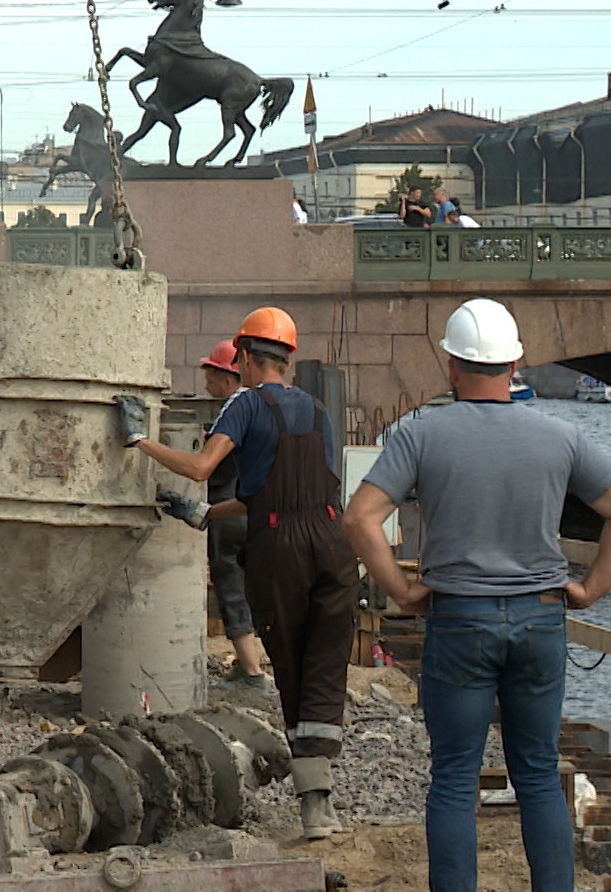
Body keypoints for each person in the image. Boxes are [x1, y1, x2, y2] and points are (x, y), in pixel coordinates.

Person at [341, 298, 611, 892]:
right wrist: (588, 589)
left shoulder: (421, 434)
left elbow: (360, 518)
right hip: (540, 619)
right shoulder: (560, 435)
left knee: (455, 777)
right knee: (536, 774)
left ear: (452, 364)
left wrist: (403, 591)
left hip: (459, 619)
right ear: (515, 364)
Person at [122, 308, 355, 841]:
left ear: (246, 358)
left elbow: (203, 468)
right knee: (325, 663)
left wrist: (141, 442)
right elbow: (279, 495)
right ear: (288, 359)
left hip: (281, 551)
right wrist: (207, 513)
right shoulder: (318, 409)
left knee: (292, 662)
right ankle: (322, 796)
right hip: (332, 542)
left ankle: (315, 806)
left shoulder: (245, 402)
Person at [196, 339, 268, 686]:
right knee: (257, 589)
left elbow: (203, 468)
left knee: (231, 588)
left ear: (228, 379)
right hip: (254, 513)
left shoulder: (231, 415)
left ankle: (251, 670)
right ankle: (260, 665)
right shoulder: (260, 409)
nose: (206, 387)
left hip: (226, 512)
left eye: (211, 379)